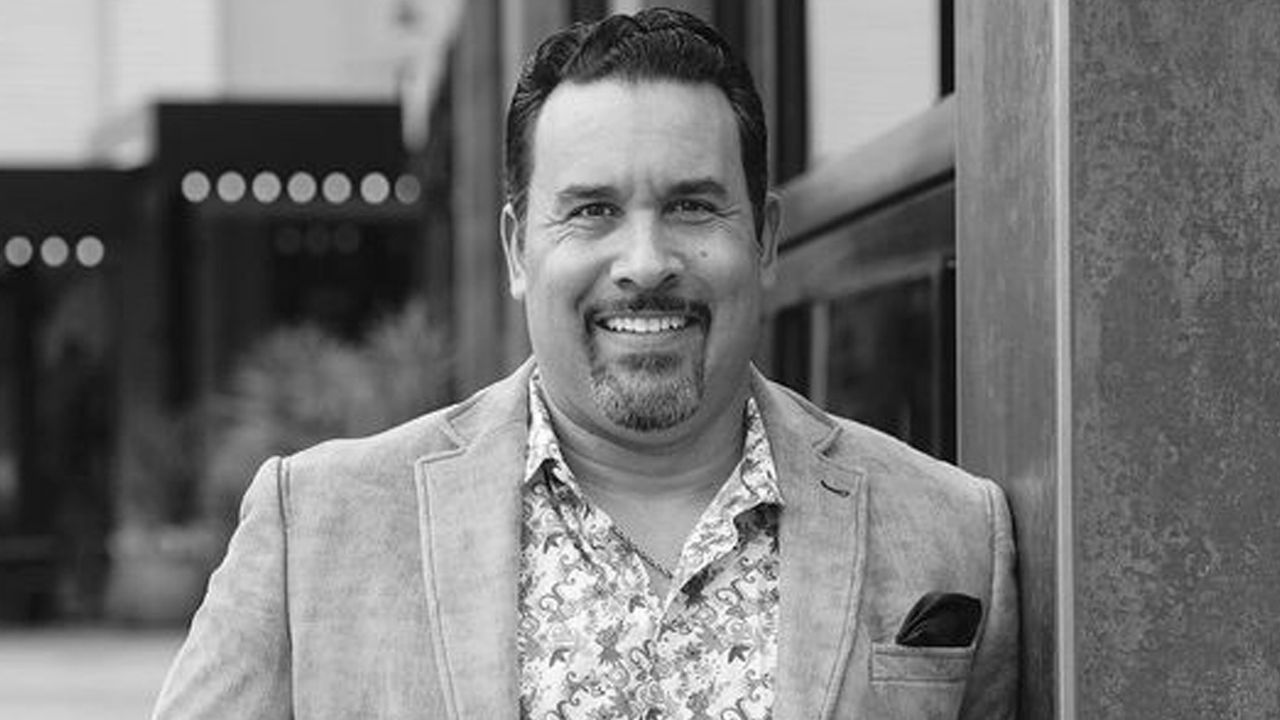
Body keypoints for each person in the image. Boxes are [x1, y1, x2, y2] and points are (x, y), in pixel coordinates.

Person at [152, 8, 1017, 719]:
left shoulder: (952, 532)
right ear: (517, 249)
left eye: (691, 206)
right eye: (593, 210)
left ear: (765, 240)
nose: (645, 262)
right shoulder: (317, 527)